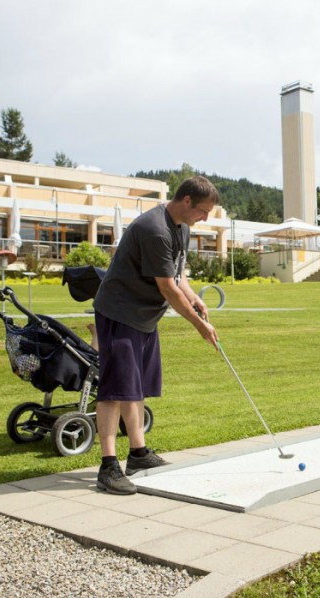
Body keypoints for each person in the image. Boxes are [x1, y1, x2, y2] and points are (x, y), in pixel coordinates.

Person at [92, 176, 220, 494]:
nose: (205, 219)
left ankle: (138, 454)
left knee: (135, 388)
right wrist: (198, 324)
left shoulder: (182, 227)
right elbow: (166, 287)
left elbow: (178, 274)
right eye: (203, 211)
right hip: (120, 313)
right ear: (187, 201)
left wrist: (194, 297)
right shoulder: (155, 229)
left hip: (144, 318)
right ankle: (108, 467)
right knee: (114, 390)